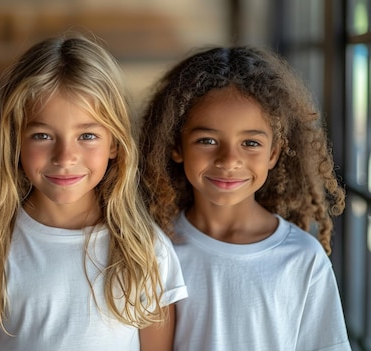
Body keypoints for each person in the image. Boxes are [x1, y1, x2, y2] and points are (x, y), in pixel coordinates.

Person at [0, 32, 187, 351]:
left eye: (87, 136)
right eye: (43, 136)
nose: (65, 157)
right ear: (15, 140)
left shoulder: (146, 253)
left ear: (114, 143)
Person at [138, 45, 350, 350]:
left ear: (273, 153)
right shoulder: (154, 250)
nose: (229, 160)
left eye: (250, 142)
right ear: (177, 146)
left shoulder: (302, 258)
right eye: (207, 140)